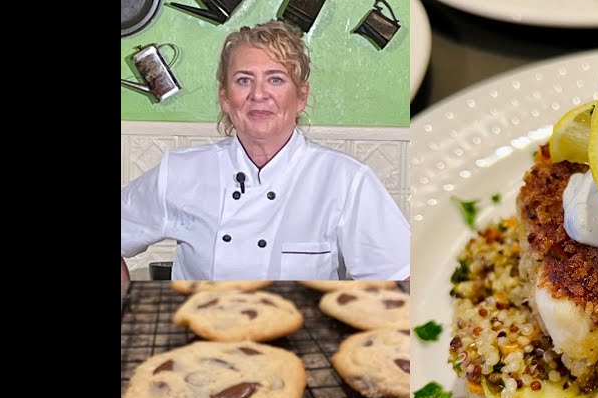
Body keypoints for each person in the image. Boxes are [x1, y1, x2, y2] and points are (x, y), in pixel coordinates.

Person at [121, 20, 410, 282]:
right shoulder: (181, 172)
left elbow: (399, 279)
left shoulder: (345, 180)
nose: (258, 94)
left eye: (275, 79)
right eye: (243, 80)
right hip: (200, 325)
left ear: (301, 97)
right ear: (225, 97)